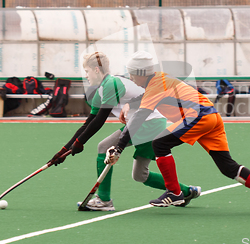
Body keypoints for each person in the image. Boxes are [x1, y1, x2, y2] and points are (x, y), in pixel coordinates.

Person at [105, 51, 250, 213]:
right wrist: (129, 105)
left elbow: (138, 118)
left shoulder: (156, 84)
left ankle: (174, 193)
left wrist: (118, 148)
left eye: (132, 72)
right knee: (227, 167)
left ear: (141, 72)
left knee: (160, 143)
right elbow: (142, 100)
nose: (130, 76)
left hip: (197, 116)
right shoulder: (158, 80)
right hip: (211, 116)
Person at [48, 52, 200, 211]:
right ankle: (187, 191)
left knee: (104, 146)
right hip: (148, 124)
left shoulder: (111, 84)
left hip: (149, 123)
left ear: (96, 70)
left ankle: (104, 200)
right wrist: (64, 150)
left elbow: (99, 121)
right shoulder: (101, 90)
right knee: (140, 176)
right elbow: (89, 123)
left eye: (86, 71)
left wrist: (79, 143)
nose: (85, 76)